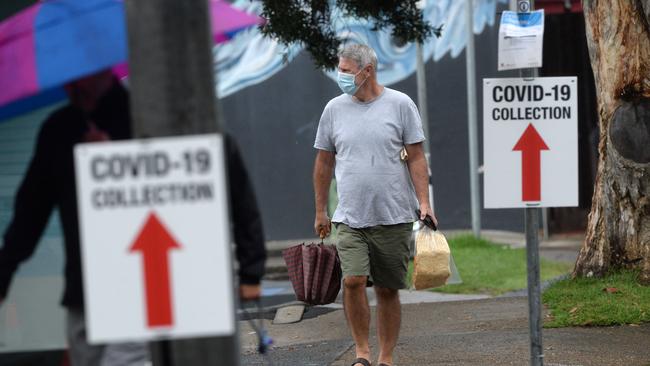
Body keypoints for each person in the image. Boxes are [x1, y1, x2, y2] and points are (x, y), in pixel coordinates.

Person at [0, 69, 266, 365]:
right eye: (69, 78)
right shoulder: (59, 129)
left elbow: (225, 191)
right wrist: (5, 270)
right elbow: (31, 210)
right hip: (85, 287)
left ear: (105, 72)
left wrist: (251, 269)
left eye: (83, 77)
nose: (74, 85)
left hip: (140, 288)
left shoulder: (151, 122)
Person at [313, 44, 437, 366]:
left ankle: (386, 356)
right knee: (352, 281)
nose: (340, 75)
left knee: (386, 290)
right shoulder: (333, 110)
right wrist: (320, 210)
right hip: (350, 217)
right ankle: (361, 353)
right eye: (339, 68)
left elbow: (417, 156)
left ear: (366, 71)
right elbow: (324, 163)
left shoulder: (400, 105)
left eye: (345, 69)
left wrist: (425, 203)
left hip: (393, 215)